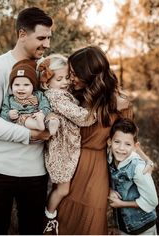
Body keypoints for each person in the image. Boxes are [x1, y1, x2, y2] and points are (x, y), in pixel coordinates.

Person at [57, 45, 154, 235]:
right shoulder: (72, 95)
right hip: (68, 166)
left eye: (76, 74)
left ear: (91, 74)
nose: (72, 78)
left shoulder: (120, 104)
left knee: (89, 222)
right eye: (71, 73)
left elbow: (127, 141)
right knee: (63, 217)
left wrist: (145, 158)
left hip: (95, 171)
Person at [0, 7, 53, 235]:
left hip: (35, 173)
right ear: (22, 35)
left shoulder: (46, 70)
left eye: (49, 38)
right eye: (41, 38)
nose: (47, 44)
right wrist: (30, 135)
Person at [37, 54, 97, 234]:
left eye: (67, 78)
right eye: (59, 79)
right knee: (63, 190)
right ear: (46, 82)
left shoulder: (62, 94)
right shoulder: (56, 97)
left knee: (60, 188)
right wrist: (97, 109)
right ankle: (49, 218)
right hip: (61, 152)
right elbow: (82, 117)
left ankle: (50, 213)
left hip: (64, 149)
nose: (65, 82)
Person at [107, 118, 158, 235]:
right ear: (109, 142)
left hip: (143, 227)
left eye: (127, 144)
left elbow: (152, 201)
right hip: (124, 226)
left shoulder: (138, 167)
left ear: (135, 146)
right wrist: (109, 190)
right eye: (117, 142)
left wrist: (121, 204)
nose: (121, 148)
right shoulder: (110, 158)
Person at [0, 59, 59, 134]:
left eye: (26, 85)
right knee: (22, 118)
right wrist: (9, 114)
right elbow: (3, 113)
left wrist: (42, 113)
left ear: (33, 86)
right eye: (17, 85)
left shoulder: (38, 95)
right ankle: (37, 125)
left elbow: (45, 105)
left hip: (39, 116)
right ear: (11, 86)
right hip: (25, 122)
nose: (21, 88)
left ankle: (52, 124)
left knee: (51, 115)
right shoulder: (9, 99)